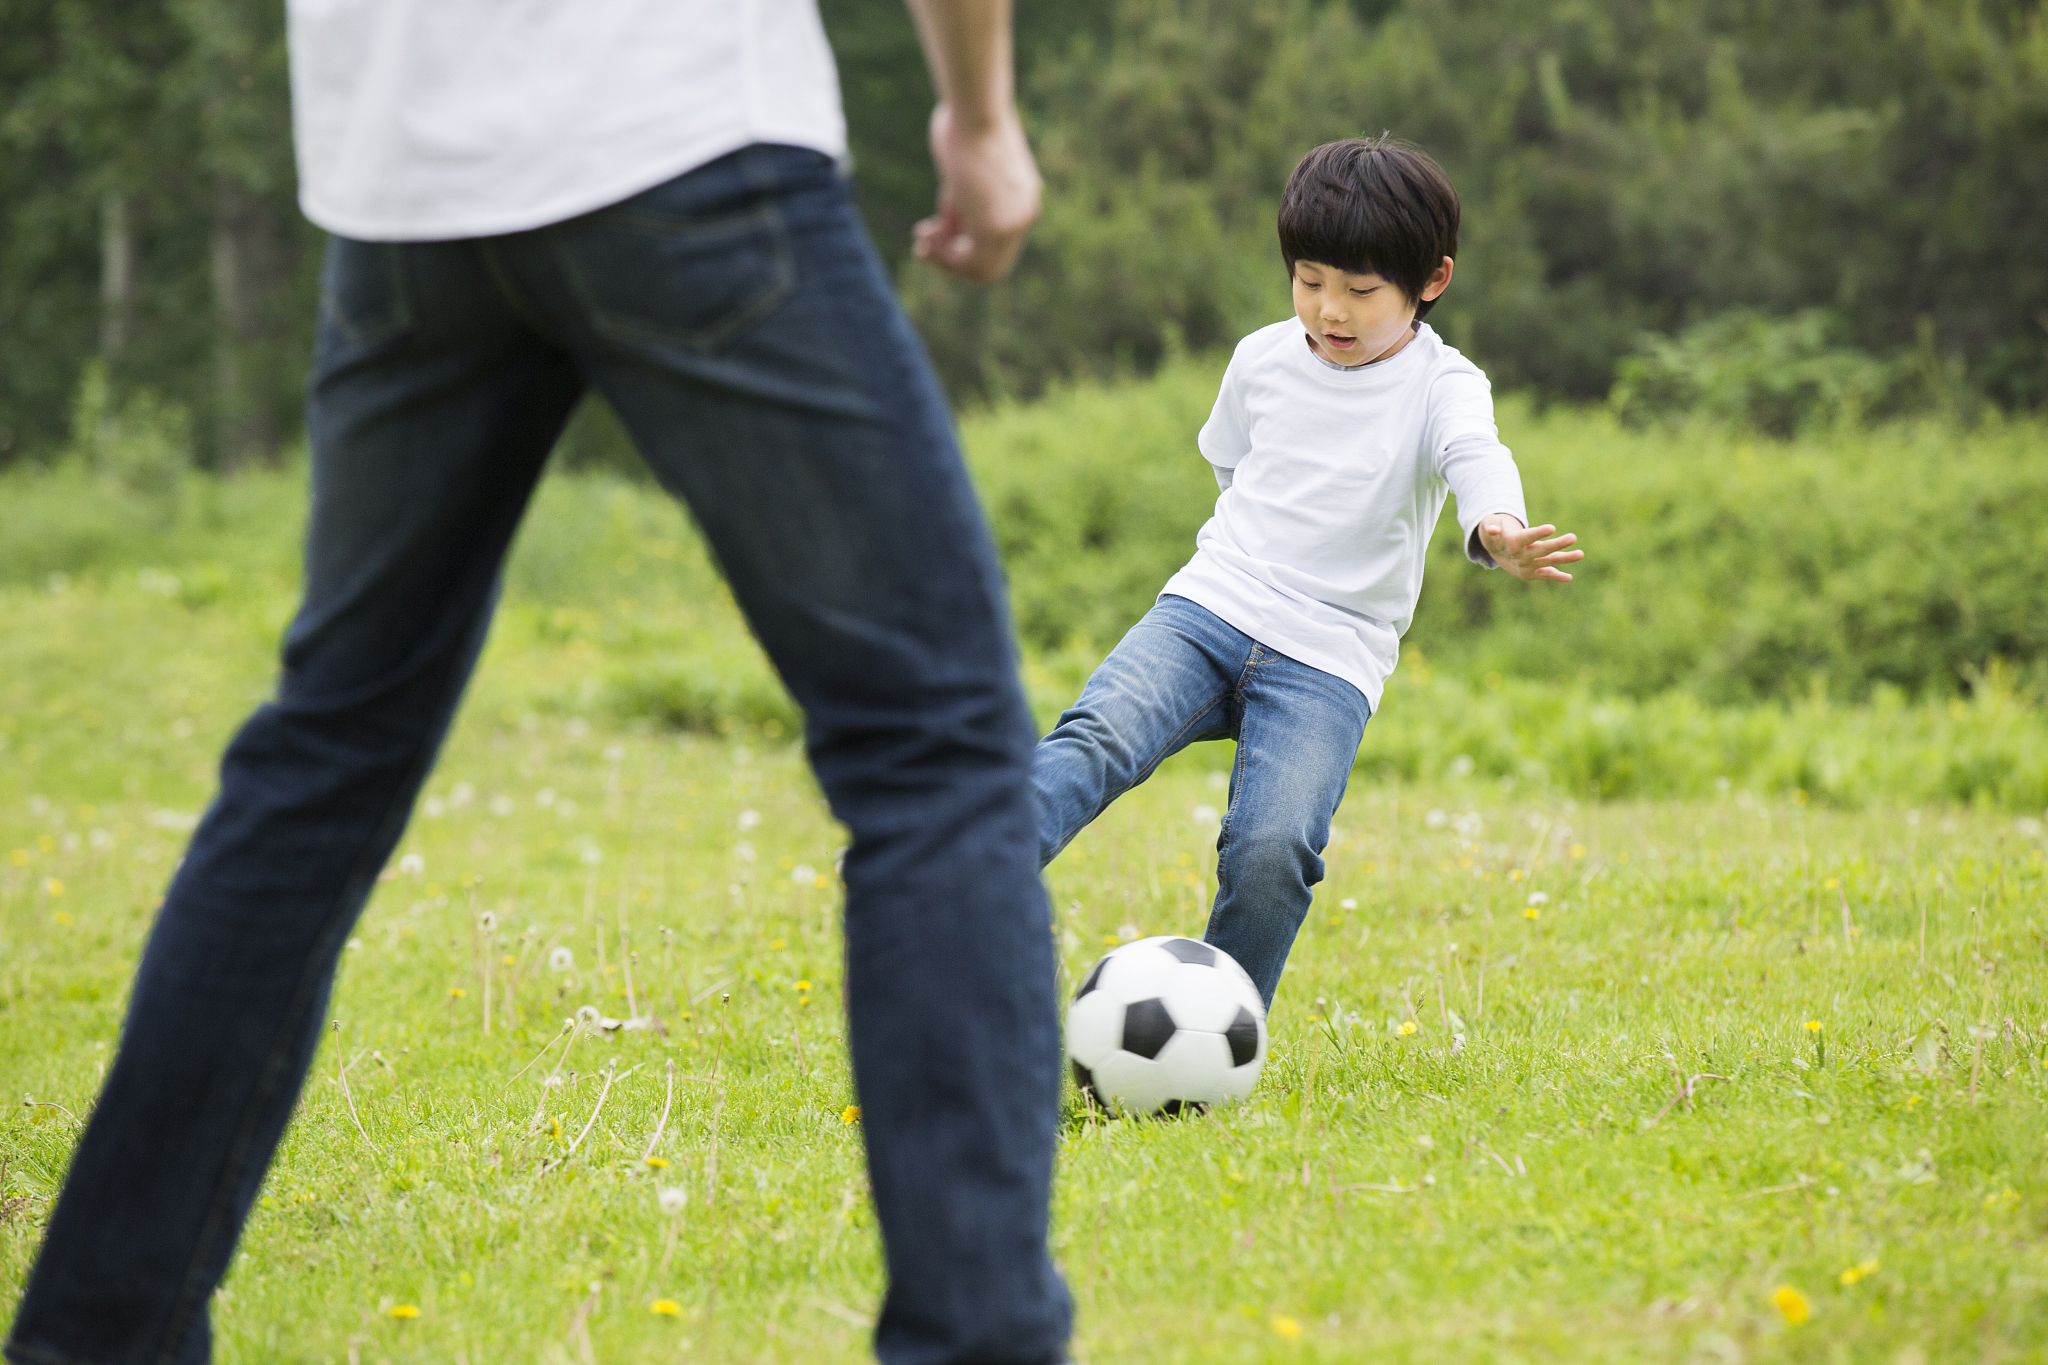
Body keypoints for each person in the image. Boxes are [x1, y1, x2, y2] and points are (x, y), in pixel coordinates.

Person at [5, 3, 1073, 1364]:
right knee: (934, 748)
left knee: (323, 758)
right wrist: (978, 116)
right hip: (682, 127)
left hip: (401, 181)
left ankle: (94, 1341)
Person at [1033, 137, 1583, 1010]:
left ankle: (1218, 1027)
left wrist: (1498, 525)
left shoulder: (1444, 384)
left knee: (1273, 847)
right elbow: (1233, 464)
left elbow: (1475, 452)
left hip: (1329, 658)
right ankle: (955, 880)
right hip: (1209, 609)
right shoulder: (1261, 358)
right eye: (1309, 279)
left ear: (1431, 281)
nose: (1330, 309)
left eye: (1361, 291)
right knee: (1095, 737)